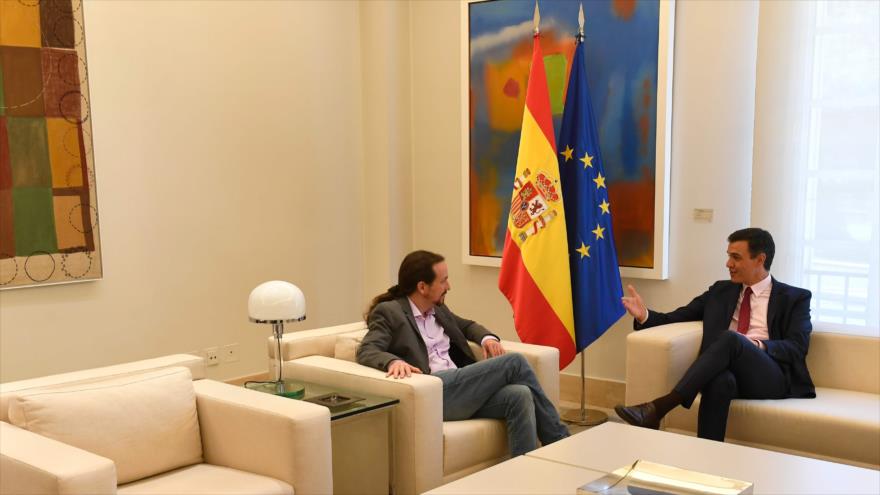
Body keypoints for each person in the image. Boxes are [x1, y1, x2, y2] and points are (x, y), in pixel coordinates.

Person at [357, 250, 569, 456]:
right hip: (434, 390)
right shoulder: (390, 312)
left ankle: (525, 474)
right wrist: (392, 361)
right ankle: (560, 442)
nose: (448, 286)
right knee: (513, 362)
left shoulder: (437, 308)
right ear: (422, 287)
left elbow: (466, 326)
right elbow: (367, 349)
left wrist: (487, 338)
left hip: (458, 389)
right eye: (443, 281)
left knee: (520, 395)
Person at [614, 228, 815, 441]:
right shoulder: (720, 291)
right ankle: (706, 460)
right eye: (728, 256)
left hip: (769, 375)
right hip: (727, 371)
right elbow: (675, 317)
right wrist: (643, 314)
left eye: (736, 257)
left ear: (760, 259)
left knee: (731, 338)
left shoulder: (794, 298)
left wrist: (756, 345)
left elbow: (797, 347)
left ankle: (660, 407)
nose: (728, 264)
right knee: (719, 381)